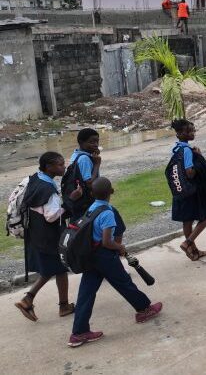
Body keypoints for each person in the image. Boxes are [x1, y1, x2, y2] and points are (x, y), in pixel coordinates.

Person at [68, 177, 162, 347]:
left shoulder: (92, 208)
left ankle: (79, 332)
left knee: (86, 293)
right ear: (111, 192)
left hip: (91, 255)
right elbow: (106, 241)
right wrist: (120, 247)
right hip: (104, 256)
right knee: (124, 283)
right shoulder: (108, 213)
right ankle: (144, 310)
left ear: (92, 193)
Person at [14, 152, 77, 322]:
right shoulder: (48, 190)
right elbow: (51, 216)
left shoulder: (36, 179)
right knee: (59, 269)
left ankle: (31, 300)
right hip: (49, 236)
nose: (64, 167)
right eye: (60, 164)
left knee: (52, 269)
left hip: (37, 233)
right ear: (49, 167)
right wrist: (70, 201)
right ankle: (58, 305)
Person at [169, 119, 206, 261]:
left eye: (193, 130)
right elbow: (189, 172)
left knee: (187, 220)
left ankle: (193, 251)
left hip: (181, 190)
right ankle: (188, 242)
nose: (192, 133)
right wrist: (199, 157)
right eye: (188, 131)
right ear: (179, 134)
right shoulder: (187, 150)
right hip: (192, 191)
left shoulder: (175, 148)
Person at [65, 128, 101, 221]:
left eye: (97, 141)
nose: (96, 145)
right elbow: (89, 183)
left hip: (78, 200)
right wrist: (97, 164)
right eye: (92, 142)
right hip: (86, 201)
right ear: (81, 142)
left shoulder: (76, 154)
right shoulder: (84, 159)